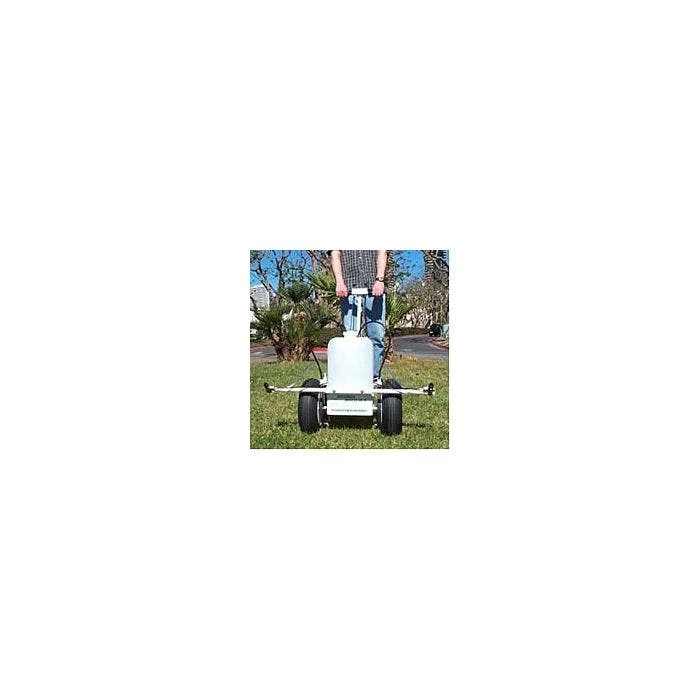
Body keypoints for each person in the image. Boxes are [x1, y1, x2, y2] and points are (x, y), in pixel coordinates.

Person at [329, 250, 388, 383]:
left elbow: (382, 252)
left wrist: (380, 280)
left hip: (374, 288)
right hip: (348, 289)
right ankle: (351, 377)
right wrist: (339, 282)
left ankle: (373, 378)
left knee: (376, 336)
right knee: (350, 338)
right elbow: (335, 255)